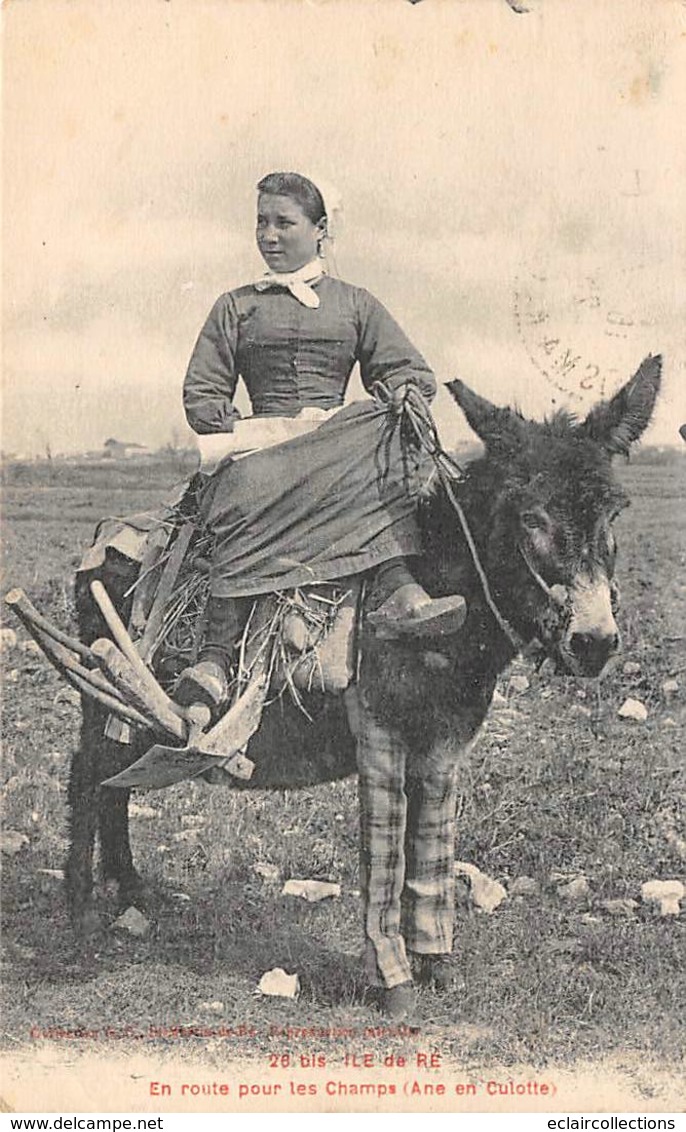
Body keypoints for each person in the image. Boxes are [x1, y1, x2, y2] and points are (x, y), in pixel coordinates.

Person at [177, 172, 466, 707]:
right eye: (261, 222)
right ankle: (216, 658)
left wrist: (403, 392)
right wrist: (231, 424)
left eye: (284, 223)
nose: (269, 235)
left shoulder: (356, 303)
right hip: (266, 445)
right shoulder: (234, 307)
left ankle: (400, 589)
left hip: (338, 446)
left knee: (389, 441)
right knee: (247, 479)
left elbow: (408, 370)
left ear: (320, 230)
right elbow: (202, 389)